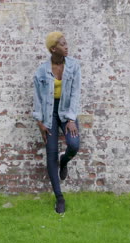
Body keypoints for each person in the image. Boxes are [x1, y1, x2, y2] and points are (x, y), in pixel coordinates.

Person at [32, 31, 81, 214]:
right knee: (50, 152)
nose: (66, 46)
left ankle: (64, 160)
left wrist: (71, 119)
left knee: (74, 144)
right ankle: (59, 197)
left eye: (66, 42)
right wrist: (40, 122)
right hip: (48, 111)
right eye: (62, 44)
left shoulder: (74, 66)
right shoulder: (42, 71)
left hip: (67, 110)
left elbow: (76, 93)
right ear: (54, 49)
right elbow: (37, 97)